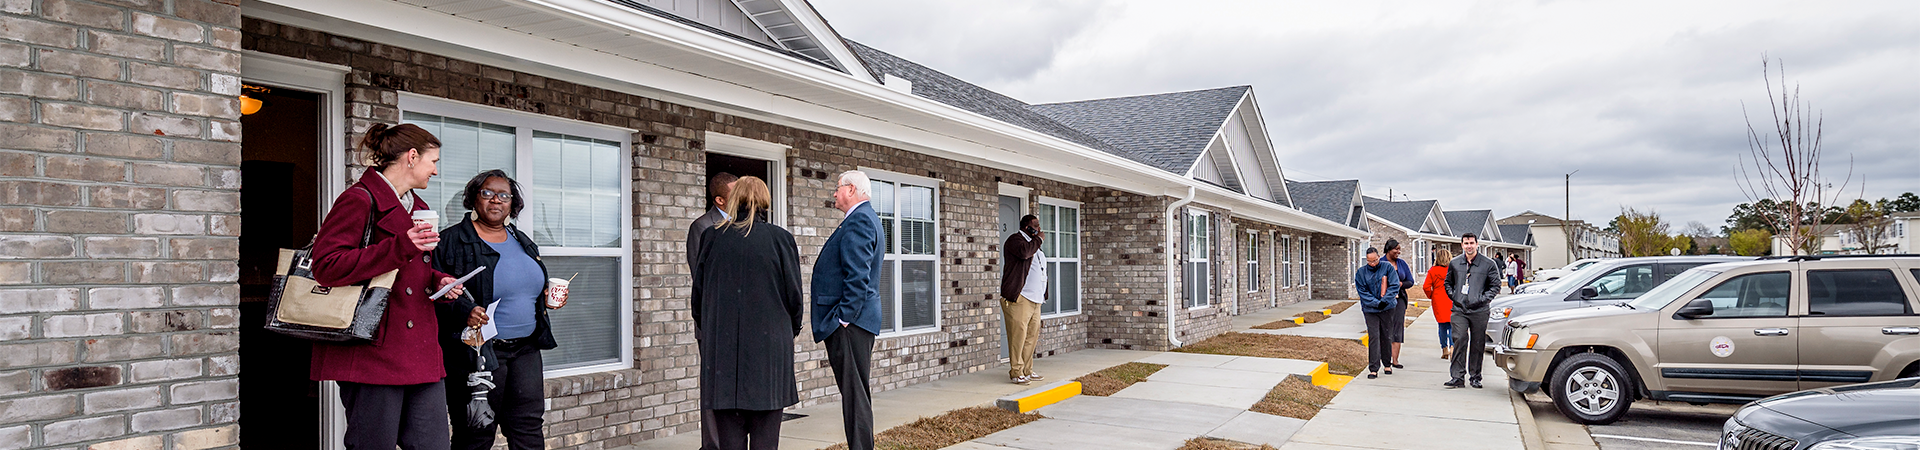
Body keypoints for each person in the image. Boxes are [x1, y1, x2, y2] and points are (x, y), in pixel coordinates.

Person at [309, 123, 464, 450]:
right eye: (432, 161)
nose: (435, 171)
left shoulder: (418, 207)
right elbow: (326, 266)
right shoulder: (358, 200)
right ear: (411, 157)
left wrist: (439, 280)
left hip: (420, 351)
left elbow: (411, 270)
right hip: (372, 350)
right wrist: (401, 246)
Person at [433, 170, 568, 450]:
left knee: (528, 427)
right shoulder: (450, 241)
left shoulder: (521, 239)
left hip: (526, 350)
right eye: (487, 193)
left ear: (512, 203)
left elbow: (524, 288)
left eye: (504, 195)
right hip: (479, 352)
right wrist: (463, 311)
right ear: (473, 198)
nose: (496, 200)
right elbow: (431, 293)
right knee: (477, 431)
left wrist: (544, 298)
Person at [692, 177, 803, 450]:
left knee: (729, 442)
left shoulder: (712, 237)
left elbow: (698, 299)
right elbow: (795, 299)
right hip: (769, 355)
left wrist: (712, 330)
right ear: (765, 200)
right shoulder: (781, 240)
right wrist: (790, 330)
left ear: (734, 199)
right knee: (766, 442)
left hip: (723, 356)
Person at [810, 170, 883, 450]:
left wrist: (843, 318)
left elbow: (858, 276)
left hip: (851, 325)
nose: (834, 193)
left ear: (851, 189)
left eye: (838, 188)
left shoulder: (860, 220)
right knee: (856, 394)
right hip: (854, 322)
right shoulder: (862, 218)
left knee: (855, 396)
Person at [685, 171, 736, 450]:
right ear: (719, 199)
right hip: (713, 322)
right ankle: (713, 445)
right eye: (735, 194)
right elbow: (701, 279)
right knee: (713, 386)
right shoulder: (702, 227)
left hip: (740, 324)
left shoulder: (746, 225)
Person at [1444, 233, 1503, 389]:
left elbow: (1495, 286)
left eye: (1471, 243)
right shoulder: (1455, 263)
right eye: (1466, 243)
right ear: (1462, 245)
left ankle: (1475, 377)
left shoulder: (1488, 264)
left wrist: (1482, 299)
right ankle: (1457, 376)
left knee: (1477, 343)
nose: (1469, 246)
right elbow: (1448, 283)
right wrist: (1455, 297)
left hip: (1480, 310)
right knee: (1460, 339)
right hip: (1459, 309)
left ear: (1477, 244)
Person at [999, 214, 1046, 385]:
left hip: (1036, 299)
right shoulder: (1015, 240)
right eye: (1036, 225)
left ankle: (1027, 370)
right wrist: (1039, 240)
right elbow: (1024, 253)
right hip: (1020, 297)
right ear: (1027, 227)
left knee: (1031, 337)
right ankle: (1016, 372)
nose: (1039, 229)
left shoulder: (1035, 245)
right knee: (1018, 336)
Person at [1353, 247, 1400, 379]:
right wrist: (1376, 302)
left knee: (1387, 335)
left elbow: (1394, 285)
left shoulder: (1387, 267)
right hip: (1370, 309)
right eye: (1370, 261)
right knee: (1374, 337)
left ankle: (1387, 364)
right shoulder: (1361, 273)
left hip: (1387, 308)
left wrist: (1385, 301)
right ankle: (1373, 368)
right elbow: (1362, 291)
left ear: (1379, 257)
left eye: (1375, 260)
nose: (1373, 263)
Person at [687, 172, 738, 273]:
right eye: (736, 195)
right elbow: (698, 269)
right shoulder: (703, 225)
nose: (742, 197)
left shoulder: (744, 220)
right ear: (720, 200)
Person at [1381, 239, 1413, 369]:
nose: (1398, 252)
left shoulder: (1401, 263)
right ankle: (1385, 360)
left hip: (1399, 299)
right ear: (1388, 249)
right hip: (1384, 300)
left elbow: (1410, 281)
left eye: (1399, 249)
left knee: (1397, 328)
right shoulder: (1381, 263)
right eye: (1396, 249)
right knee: (1385, 328)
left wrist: (1400, 284)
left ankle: (1395, 360)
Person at [1421, 248, 1455, 360]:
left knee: (1442, 325)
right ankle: (1452, 347)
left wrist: (1431, 295)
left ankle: (1444, 348)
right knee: (1452, 325)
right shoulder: (1453, 270)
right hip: (1451, 298)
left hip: (1438, 299)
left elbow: (1426, 286)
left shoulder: (1432, 271)